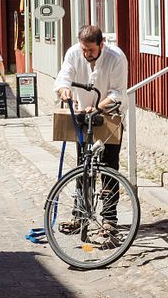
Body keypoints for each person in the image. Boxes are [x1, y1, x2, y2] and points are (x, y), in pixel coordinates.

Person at [54, 25, 128, 233]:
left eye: (91, 50)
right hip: (84, 117)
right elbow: (64, 75)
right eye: (84, 50)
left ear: (101, 44)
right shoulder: (74, 53)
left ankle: (109, 219)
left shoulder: (116, 58)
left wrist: (97, 108)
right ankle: (80, 216)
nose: (86, 54)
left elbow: (118, 92)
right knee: (83, 166)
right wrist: (64, 89)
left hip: (110, 116)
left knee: (109, 167)